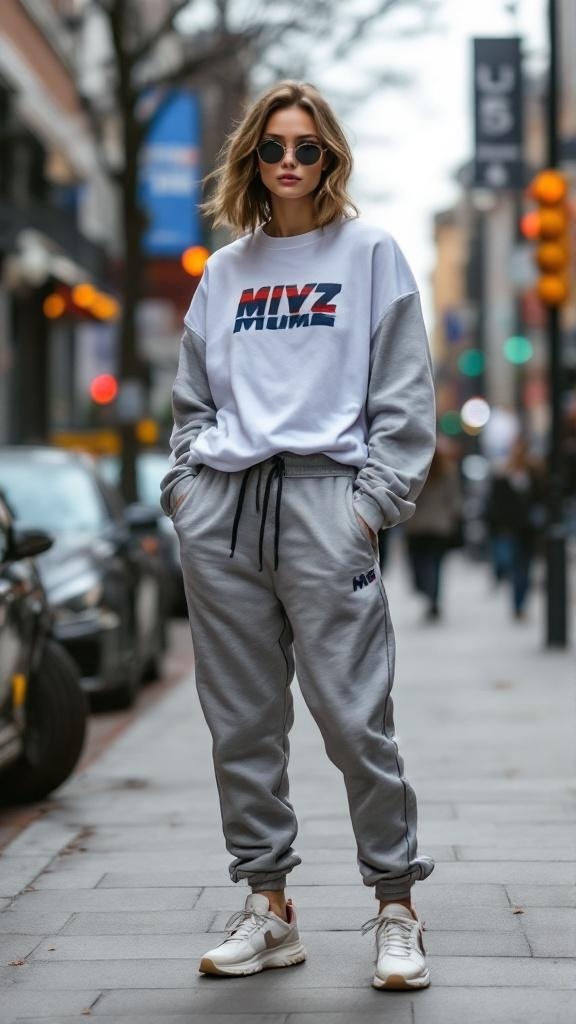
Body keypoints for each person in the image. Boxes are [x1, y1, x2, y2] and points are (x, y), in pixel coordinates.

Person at [160, 80, 436, 991]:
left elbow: (403, 396)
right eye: (273, 146)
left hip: (328, 505)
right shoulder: (226, 272)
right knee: (241, 724)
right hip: (226, 514)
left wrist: (369, 506)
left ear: (331, 158)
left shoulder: (369, 254)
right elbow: (192, 400)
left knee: (356, 720)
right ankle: (268, 906)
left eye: (306, 147)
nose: (288, 161)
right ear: (251, 159)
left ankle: (397, 908)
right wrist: (187, 492)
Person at [484, 437, 544, 619]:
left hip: (528, 530)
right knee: (514, 566)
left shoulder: (533, 474)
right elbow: (496, 503)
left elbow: (541, 497)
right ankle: (517, 603)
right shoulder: (502, 474)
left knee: (525, 568)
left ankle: (521, 602)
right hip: (509, 530)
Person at [404, 445, 462, 620]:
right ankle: (433, 598)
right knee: (436, 565)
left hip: (418, 525)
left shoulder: (417, 471)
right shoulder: (448, 471)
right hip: (439, 526)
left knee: (420, 563)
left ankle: (428, 593)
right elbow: (454, 499)